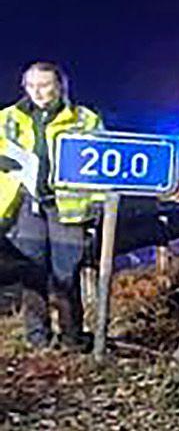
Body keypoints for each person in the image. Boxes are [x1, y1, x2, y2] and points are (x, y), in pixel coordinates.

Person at [0, 63, 104, 350]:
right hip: (24, 206)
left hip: (68, 209)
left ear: (61, 87)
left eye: (45, 85)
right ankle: (38, 340)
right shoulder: (7, 117)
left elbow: (102, 169)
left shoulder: (84, 119)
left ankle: (72, 338)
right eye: (31, 86)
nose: (38, 92)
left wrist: (95, 210)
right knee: (31, 274)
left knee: (65, 275)